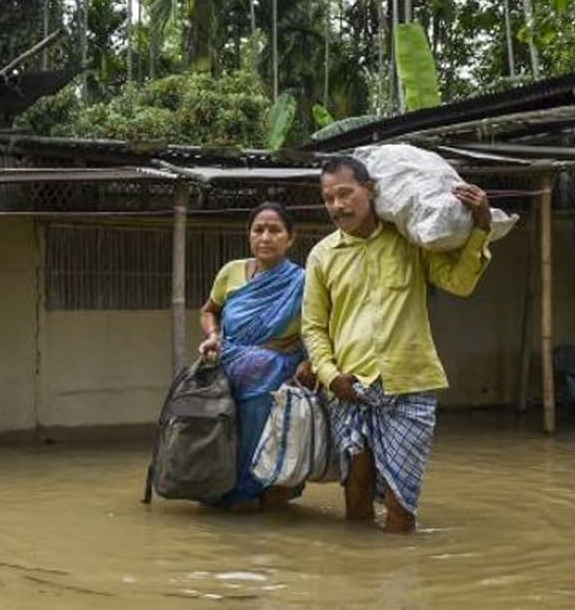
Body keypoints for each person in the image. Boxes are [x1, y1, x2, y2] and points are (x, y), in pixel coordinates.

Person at [302, 155, 494, 533]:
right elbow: (313, 328)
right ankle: (360, 581)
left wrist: (480, 230)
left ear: (370, 190)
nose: (338, 206)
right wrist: (329, 375)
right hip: (349, 388)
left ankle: (397, 583)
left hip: (410, 385)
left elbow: (460, 282)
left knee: (400, 505)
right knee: (354, 495)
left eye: (345, 193)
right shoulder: (322, 255)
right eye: (328, 198)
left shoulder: (409, 241)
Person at [198, 202, 315, 511]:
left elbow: (318, 329)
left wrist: (309, 362)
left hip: (274, 381)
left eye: (275, 230)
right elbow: (209, 311)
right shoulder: (231, 271)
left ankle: (262, 499)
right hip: (225, 375)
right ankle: (222, 494)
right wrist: (213, 336)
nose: (265, 237)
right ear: (249, 235)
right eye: (258, 230)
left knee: (270, 448)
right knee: (221, 439)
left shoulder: (303, 281)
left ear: (290, 238)